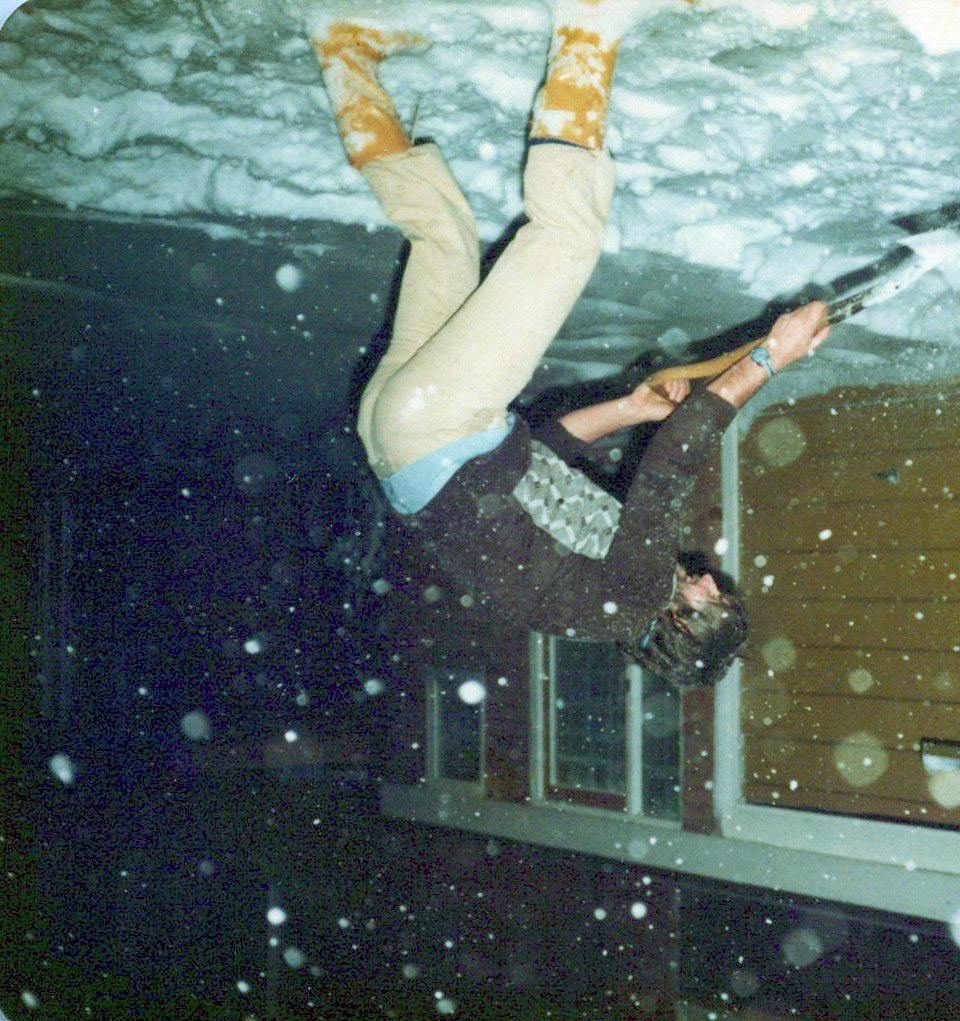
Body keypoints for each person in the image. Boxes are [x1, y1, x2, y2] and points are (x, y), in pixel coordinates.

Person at [311, 2, 829, 687]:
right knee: (442, 236)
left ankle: (590, 24)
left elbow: (670, 467)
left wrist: (769, 359)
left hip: (441, 428)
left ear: (681, 625)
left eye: (712, 600)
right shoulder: (593, 601)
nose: (709, 581)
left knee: (567, 236)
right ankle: (343, 53)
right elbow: (535, 455)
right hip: (405, 439)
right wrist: (629, 411)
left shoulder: (639, 595)